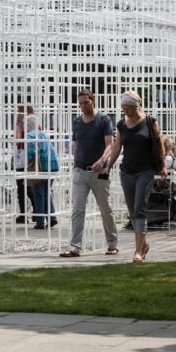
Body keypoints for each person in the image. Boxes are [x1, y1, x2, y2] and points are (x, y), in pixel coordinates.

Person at [93, 90, 165, 263]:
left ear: (136, 106)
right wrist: (108, 166)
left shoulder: (150, 122)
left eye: (128, 108)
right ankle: (144, 244)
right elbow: (117, 147)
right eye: (123, 108)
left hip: (145, 171)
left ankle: (138, 252)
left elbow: (159, 144)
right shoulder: (121, 125)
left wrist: (162, 166)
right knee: (133, 213)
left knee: (140, 209)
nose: (126, 112)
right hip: (127, 172)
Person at [61, 89, 119, 257]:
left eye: (85, 102)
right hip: (80, 170)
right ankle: (75, 246)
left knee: (105, 208)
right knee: (77, 209)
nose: (83, 106)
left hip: (99, 172)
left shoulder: (104, 120)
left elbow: (111, 145)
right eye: (80, 103)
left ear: (93, 100)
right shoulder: (77, 122)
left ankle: (112, 244)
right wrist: (74, 164)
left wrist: (102, 161)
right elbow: (76, 144)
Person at [24, 115, 60, 229]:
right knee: (46, 192)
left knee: (39, 194)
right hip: (53, 165)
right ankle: (52, 217)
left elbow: (31, 154)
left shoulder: (29, 136)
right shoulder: (44, 134)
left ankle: (40, 222)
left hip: (41, 167)